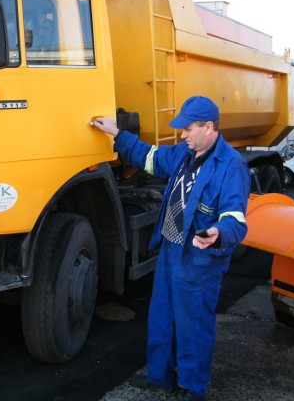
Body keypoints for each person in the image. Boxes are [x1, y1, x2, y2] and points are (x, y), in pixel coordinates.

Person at [92, 96, 250, 401]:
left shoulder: (231, 166)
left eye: (188, 129)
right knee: (162, 316)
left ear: (209, 127)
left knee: (194, 326)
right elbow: (149, 157)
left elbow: (236, 218)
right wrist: (117, 134)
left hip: (199, 258)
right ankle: (160, 377)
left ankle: (192, 387)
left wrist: (218, 232)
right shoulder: (183, 153)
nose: (183, 135)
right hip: (169, 250)